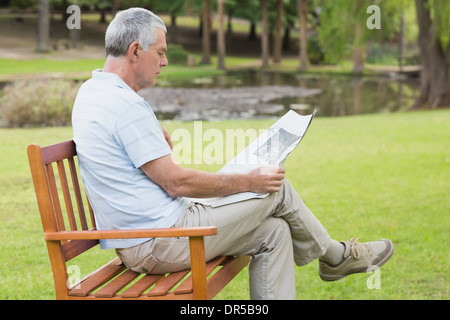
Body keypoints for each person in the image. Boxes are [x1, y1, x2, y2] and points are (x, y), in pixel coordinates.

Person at [72, 7, 394, 299]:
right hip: (160, 240)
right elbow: (176, 183)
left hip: (149, 233)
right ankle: (336, 258)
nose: (165, 61)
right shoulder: (126, 107)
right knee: (275, 188)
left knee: (276, 231)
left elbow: (119, 145)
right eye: (160, 52)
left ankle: (335, 258)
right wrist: (247, 182)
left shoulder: (94, 91)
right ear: (135, 51)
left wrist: (149, 127)